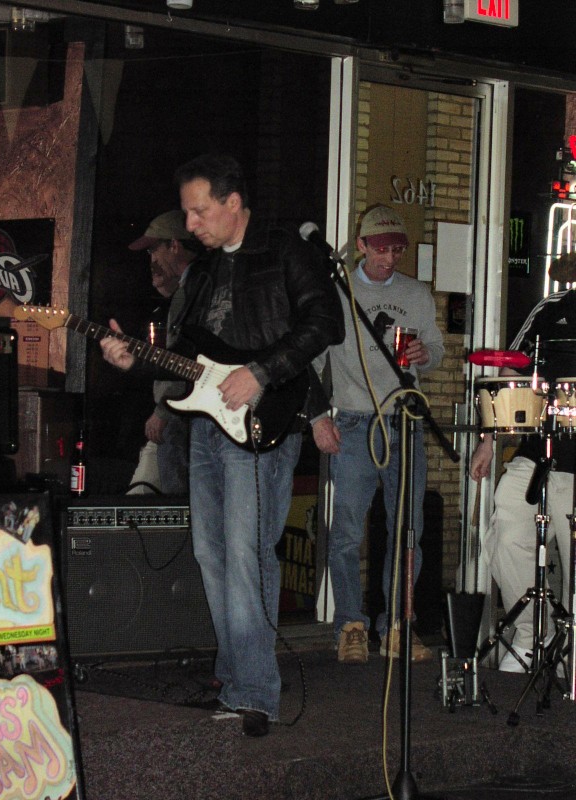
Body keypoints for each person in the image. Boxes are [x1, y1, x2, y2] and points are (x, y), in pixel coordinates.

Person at [100, 153, 344, 736]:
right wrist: (135, 361)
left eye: (199, 211)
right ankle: (236, 682)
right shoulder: (205, 272)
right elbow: (188, 356)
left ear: (234, 203)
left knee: (246, 553)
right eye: (187, 212)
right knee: (213, 555)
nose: (190, 224)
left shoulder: (285, 250)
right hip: (207, 427)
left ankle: (256, 692)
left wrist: (261, 373)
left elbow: (325, 324)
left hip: (262, 422)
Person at [311, 205, 444, 665]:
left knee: (408, 530)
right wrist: (318, 419)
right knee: (347, 530)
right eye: (381, 249)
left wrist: (426, 355)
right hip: (353, 421)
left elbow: (437, 350)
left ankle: (398, 627)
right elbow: (312, 361)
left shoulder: (416, 294)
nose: (389, 258)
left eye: (397, 250)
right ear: (362, 245)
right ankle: (350, 625)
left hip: (405, 421)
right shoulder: (336, 292)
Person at [470, 278, 576, 672]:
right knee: (508, 527)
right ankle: (534, 635)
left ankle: (572, 649)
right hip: (539, 455)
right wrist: (488, 441)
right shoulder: (552, 308)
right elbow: (508, 373)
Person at [126, 210, 200, 496]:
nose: (151, 259)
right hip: (185, 414)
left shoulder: (192, 291)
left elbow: (183, 360)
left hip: (178, 415)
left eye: (154, 249)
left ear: (174, 245)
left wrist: (163, 410)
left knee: (176, 503)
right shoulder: (192, 287)